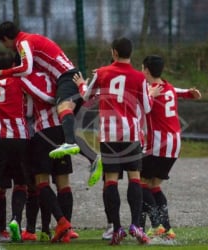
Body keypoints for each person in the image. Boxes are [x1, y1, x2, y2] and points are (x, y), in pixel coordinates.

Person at [0, 51, 57, 247]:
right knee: (21, 184)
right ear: (13, 65)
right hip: (20, 138)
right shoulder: (19, 82)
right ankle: (15, 219)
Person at [73, 37, 152, 245]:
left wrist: (82, 84)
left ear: (114, 53)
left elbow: (87, 97)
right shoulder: (139, 77)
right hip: (131, 134)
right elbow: (148, 107)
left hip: (108, 134)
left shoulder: (101, 73)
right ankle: (135, 224)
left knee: (111, 180)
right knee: (135, 177)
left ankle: (116, 228)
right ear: (130, 53)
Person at [0, 21, 83, 159]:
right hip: (65, 76)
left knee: (63, 107)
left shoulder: (23, 42)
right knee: (67, 117)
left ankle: (71, 143)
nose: (6, 47)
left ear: (5, 38)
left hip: (66, 76)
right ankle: (92, 157)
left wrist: (2, 73)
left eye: (3, 43)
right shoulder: (31, 38)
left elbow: (26, 68)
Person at [139, 55, 201, 241]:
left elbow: (138, 105)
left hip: (158, 144)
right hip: (174, 145)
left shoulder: (149, 91)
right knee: (154, 185)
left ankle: (156, 224)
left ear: (147, 71)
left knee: (141, 184)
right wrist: (190, 93)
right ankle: (167, 229)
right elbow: (179, 91)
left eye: (142, 68)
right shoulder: (169, 88)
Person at [20, 71, 78, 243]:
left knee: (41, 182)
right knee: (63, 184)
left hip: (43, 133)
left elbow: (29, 111)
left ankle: (62, 222)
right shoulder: (61, 80)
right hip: (61, 131)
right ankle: (67, 231)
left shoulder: (32, 80)